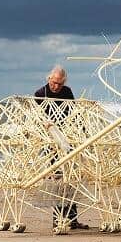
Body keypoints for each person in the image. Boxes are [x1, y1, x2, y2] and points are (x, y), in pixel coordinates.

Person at [35, 66, 89, 230]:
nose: (56, 87)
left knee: (71, 180)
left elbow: (75, 114)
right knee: (57, 181)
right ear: (48, 79)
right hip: (51, 144)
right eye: (54, 83)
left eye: (59, 84)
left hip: (68, 141)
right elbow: (37, 119)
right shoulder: (40, 94)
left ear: (63, 82)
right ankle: (58, 220)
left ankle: (72, 220)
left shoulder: (67, 92)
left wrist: (84, 133)